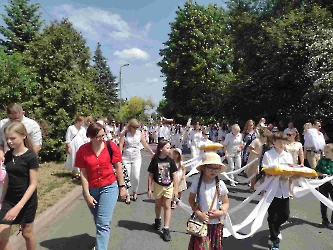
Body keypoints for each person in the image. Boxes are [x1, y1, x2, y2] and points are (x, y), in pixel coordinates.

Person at [75, 122, 126, 250]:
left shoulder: (111, 146)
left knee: (103, 222)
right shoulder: (83, 150)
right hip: (91, 189)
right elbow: (84, 173)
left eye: (103, 135)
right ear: (90, 136)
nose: (101, 139)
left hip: (109, 187)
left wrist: (122, 187)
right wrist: (87, 194)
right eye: (98, 136)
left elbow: (118, 167)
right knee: (99, 219)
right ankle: (100, 240)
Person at [0, 121, 39, 250]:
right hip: (9, 200)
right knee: (1, 237)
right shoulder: (8, 155)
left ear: (23, 136)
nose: (9, 142)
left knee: (26, 234)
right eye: (7, 139)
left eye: (13, 138)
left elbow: (33, 185)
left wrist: (18, 207)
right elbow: (7, 179)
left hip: (27, 201)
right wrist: (1, 200)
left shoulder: (31, 156)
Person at [188, 151, 229, 250]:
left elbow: (226, 203)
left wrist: (221, 212)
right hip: (200, 223)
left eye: (216, 168)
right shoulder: (197, 182)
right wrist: (199, 213)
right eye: (210, 167)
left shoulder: (221, 184)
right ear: (203, 168)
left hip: (216, 224)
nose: (213, 171)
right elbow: (191, 200)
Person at [262, 131, 296, 250]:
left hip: (284, 190)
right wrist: (278, 175)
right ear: (274, 142)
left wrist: (293, 175)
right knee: (273, 216)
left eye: (284, 142)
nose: (282, 145)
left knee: (285, 214)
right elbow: (267, 170)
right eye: (279, 142)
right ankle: (274, 240)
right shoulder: (268, 155)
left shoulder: (287, 155)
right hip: (272, 190)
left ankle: (275, 228)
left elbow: (291, 170)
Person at [147, 140, 178, 242]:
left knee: (167, 206)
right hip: (158, 185)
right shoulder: (155, 160)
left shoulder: (171, 161)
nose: (169, 150)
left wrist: (176, 189)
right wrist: (149, 189)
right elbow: (151, 175)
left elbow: (175, 175)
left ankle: (166, 228)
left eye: (170, 148)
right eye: (167, 148)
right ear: (161, 149)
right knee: (158, 205)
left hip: (169, 186)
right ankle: (158, 218)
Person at [119, 119, 154, 204]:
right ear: (130, 126)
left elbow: (144, 143)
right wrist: (119, 157)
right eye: (134, 127)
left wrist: (151, 152)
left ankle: (135, 192)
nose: (135, 129)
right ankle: (127, 195)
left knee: (136, 176)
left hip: (136, 158)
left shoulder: (139, 133)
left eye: (137, 127)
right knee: (127, 177)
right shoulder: (125, 133)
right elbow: (120, 145)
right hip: (126, 157)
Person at [245, 128, 270, 192]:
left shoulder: (267, 142)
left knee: (259, 174)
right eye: (264, 136)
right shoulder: (256, 140)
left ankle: (258, 188)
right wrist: (256, 153)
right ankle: (252, 186)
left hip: (262, 160)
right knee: (252, 173)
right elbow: (250, 148)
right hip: (254, 159)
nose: (265, 137)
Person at [315, 144, 333, 229]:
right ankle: (325, 220)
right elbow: (316, 171)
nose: (325, 153)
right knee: (324, 201)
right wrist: (322, 175)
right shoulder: (322, 161)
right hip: (323, 183)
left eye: (327, 152)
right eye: (324, 152)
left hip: (332, 184)